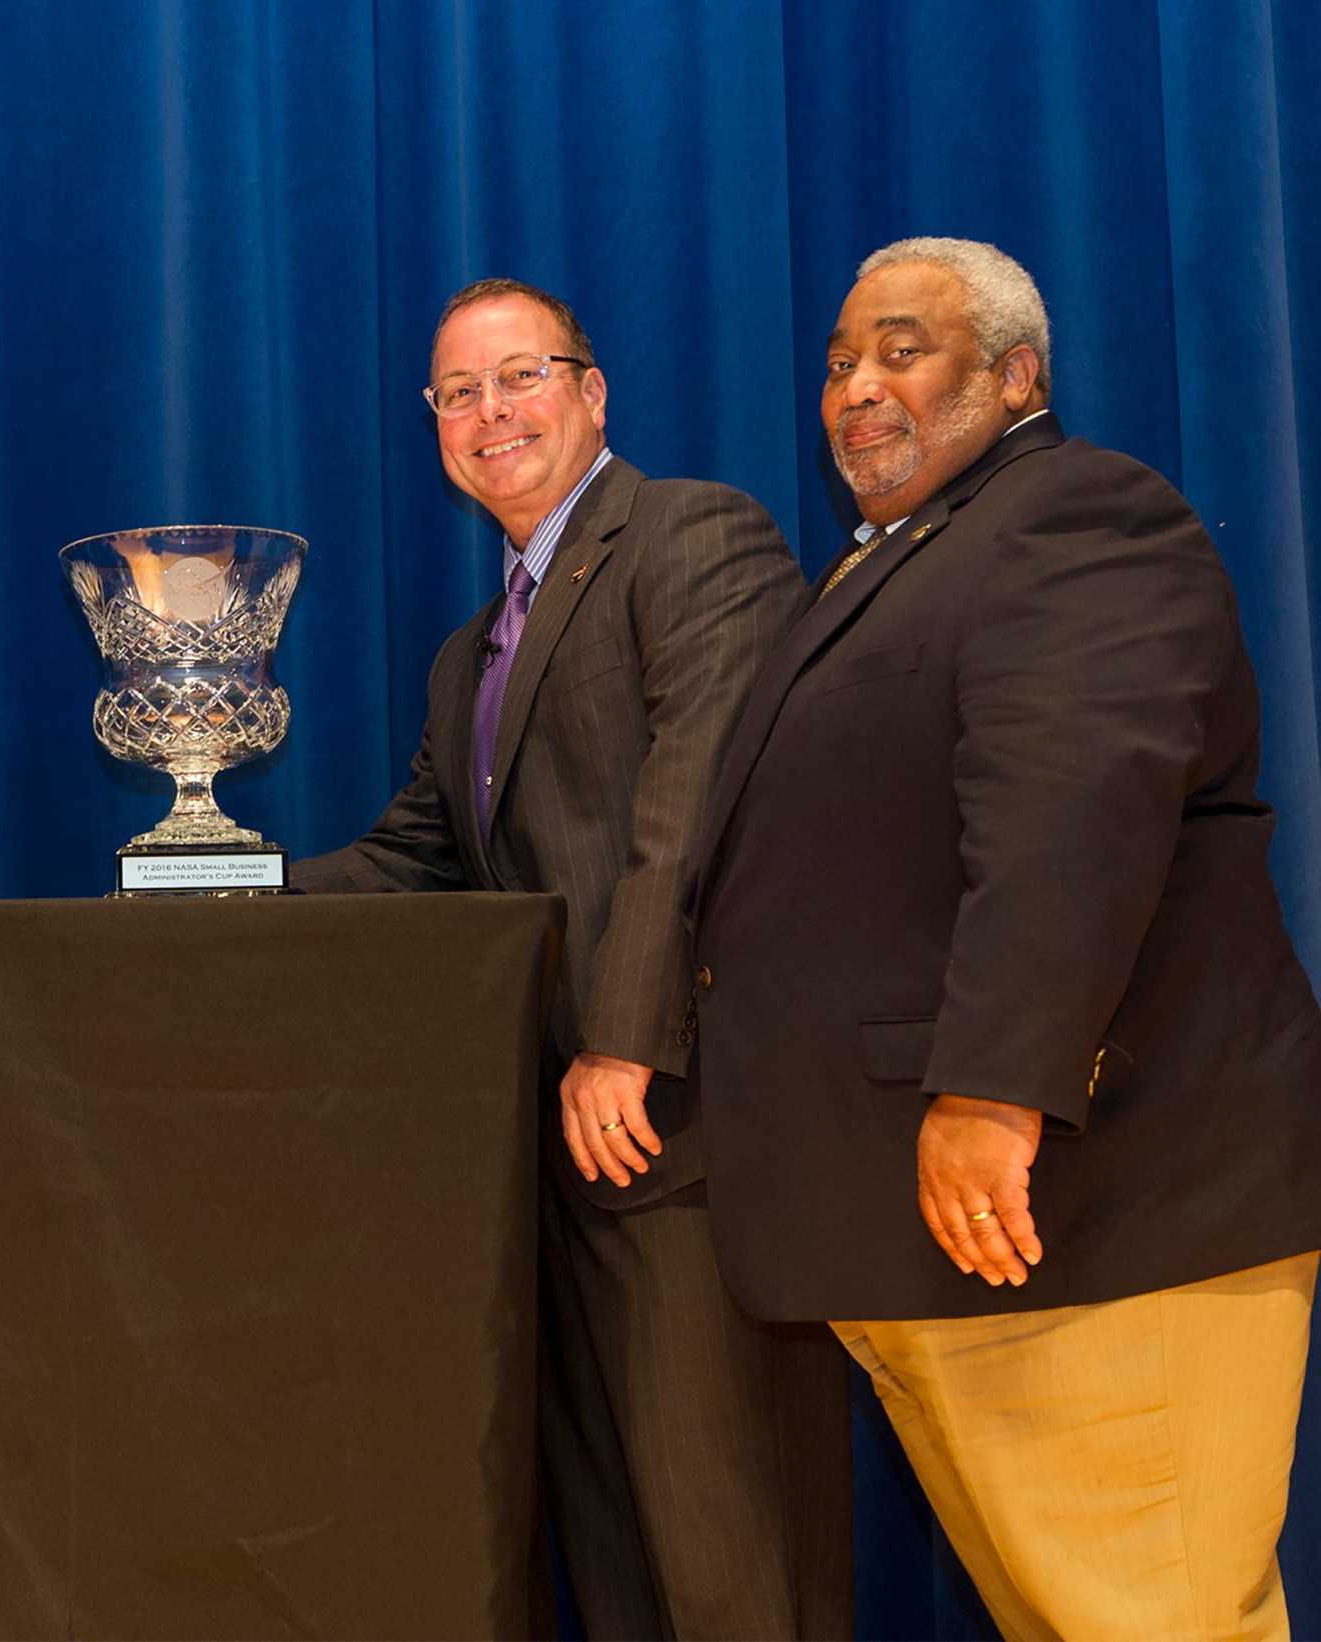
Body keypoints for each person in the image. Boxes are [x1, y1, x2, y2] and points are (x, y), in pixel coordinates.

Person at [693, 236, 1321, 1640]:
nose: (856, 385)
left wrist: (992, 1083)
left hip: (1095, 1213)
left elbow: (1075, 812)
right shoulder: (899, 565)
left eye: (901, 348)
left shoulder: (1078, 514)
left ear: (1015, 372)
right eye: (842, 358)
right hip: (954, 1239)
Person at [295, 279, 851, 1639]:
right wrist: (207, 888)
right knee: (616, 1564)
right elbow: (409, 863)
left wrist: (624, 1036)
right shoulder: (468, 657)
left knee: (728, 1559)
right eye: (458, 394)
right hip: (556, 1176)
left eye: (521, 377)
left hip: (682, 1140)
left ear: (593, 392)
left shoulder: (690, 537)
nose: (491, 414)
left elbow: (692, 805)